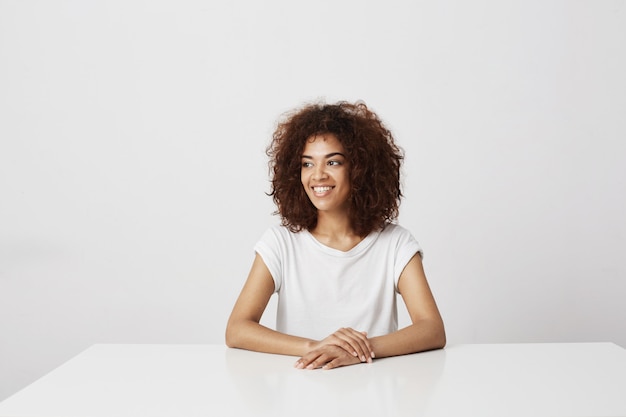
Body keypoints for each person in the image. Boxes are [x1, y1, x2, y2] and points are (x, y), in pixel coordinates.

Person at [225, 100, 445, 370]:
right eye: (307, 164)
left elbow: (432, 328)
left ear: (361, 168)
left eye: (333, 162)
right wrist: (316, 347)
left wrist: (361, 350)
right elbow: (237, 329)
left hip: (376, 393)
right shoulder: (280, 244)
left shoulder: (395, 243)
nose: (317, 175)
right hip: (300, 393)